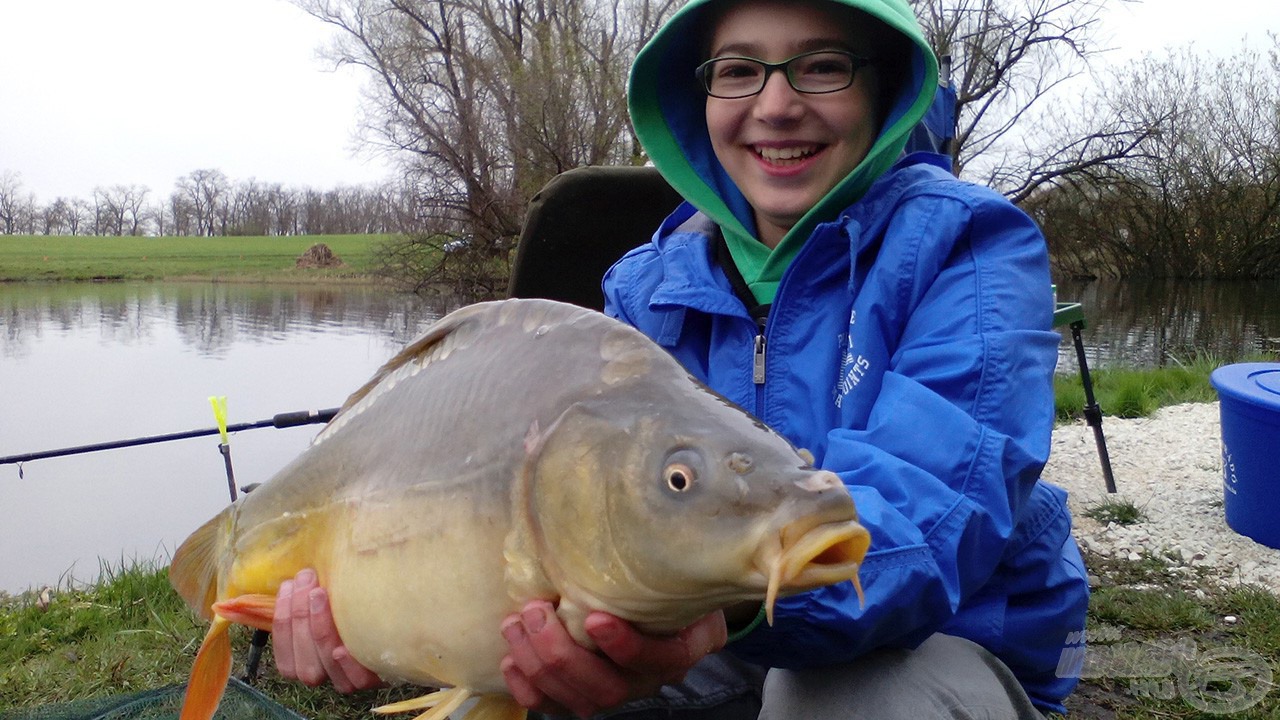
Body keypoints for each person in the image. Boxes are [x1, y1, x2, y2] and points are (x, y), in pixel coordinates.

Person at [272, 0, 1090, 717]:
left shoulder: (970, 246)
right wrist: (405, 619)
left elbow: (938, 516)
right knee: (539, 664)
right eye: (739, 71)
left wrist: (721, 608)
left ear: (884, 87)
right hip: (715, 626)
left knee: (844, 697)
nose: (776, 105)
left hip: (938, 635)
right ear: (698, 97)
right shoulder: (644, 286)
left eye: (824, 67)